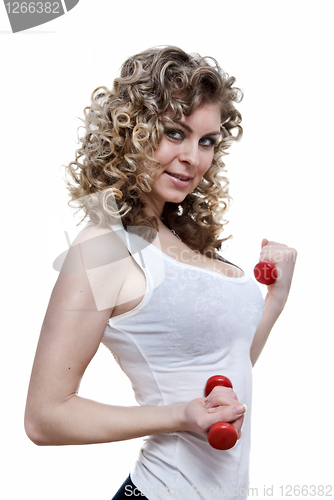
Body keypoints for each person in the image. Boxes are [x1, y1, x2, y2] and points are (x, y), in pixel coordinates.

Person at [24, 46, 297, 500]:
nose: (193, 157)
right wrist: (178, 417)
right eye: (175, 133)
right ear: (131, 132)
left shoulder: (186, 240)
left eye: (207, 141)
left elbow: (227, 362)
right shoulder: (105, 245)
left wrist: (277, 300)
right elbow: (45, 416)